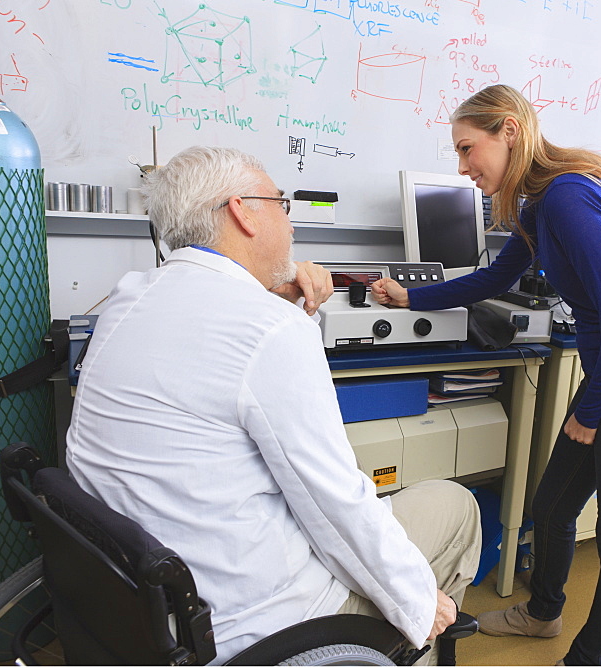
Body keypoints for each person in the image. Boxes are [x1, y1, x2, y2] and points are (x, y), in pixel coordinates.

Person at [65, 146, 481, 663]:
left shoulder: (128, 298)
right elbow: (337, 507)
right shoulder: (270, 329)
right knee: (457, 506)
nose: (290, 220)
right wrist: (420, 601)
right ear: (242, 211)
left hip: (146, 609)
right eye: (282, 203)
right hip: (262, 626)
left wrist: (268, 291)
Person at [371, 84, 601, 666]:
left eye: (469, 149)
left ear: (509, 132)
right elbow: (493, 281)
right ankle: (542, 615)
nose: (464, 166)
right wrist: (410, 298)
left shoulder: (568, 197)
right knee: (550, 511)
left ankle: (586, 659)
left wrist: (589, 416)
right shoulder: (540, 205)